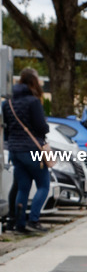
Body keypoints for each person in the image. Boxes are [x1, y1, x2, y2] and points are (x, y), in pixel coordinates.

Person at [2, 68, 51, 234]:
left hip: (15, 150)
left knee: (22, 188)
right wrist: (45, 127)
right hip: (32, 150)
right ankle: (34, 220)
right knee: (44, 185)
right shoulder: (33, 101)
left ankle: (20, 224)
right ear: (33, 82)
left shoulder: (7, 103)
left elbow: (7, 129)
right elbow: (41, 127)